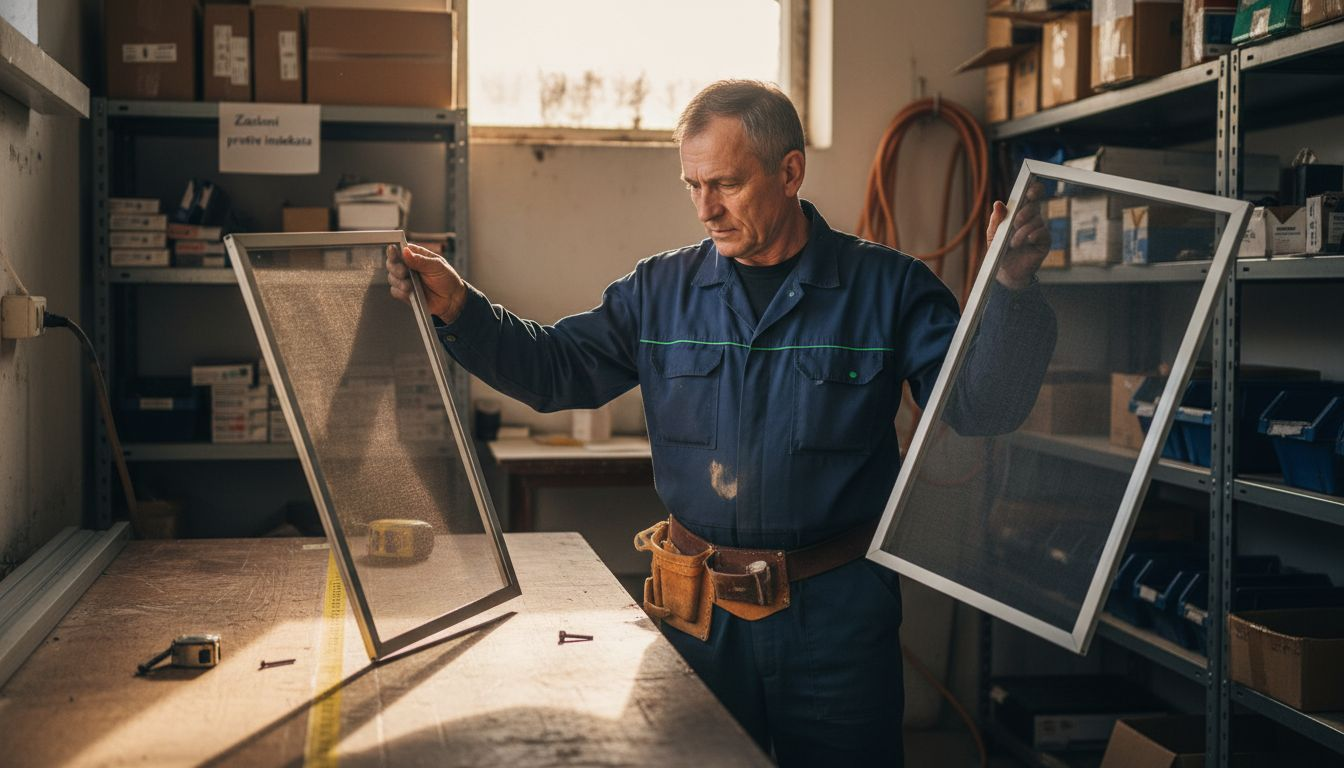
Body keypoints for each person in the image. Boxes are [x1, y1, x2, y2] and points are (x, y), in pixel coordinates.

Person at [387, 79, 1054, 765]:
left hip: (834, 620)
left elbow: (980, 409)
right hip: (695, 613)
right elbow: (556, 369)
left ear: (790, 171)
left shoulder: (887, 289)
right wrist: (459, 308)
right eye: (693, 185)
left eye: (726, 185)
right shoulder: (660, 292)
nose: (706, 208)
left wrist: (1010, 293)